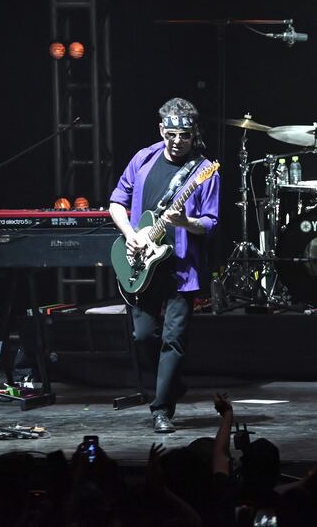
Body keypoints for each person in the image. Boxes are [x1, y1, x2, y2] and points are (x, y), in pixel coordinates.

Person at [109, 97, 220, 433]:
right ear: (161, 130)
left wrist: (185, 221)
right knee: (142, 336)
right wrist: (130, 234)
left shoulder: (204, 171)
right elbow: (116, 202)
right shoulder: (143, 158)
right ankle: (172, 383)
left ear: (194, 133)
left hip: (182, 269)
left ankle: (161, 410)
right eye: (171, 134)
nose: (177, 141)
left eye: (184, 135)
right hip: (143, 263)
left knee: (174, 340)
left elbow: (210, 223)